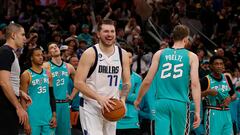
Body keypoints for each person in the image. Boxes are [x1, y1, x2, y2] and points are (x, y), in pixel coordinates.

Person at [134, 24, 201, 135]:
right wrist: (197, 111)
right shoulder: (191, 56)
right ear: (186, 39)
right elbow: (194, 84)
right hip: (180, 102)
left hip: (161, 102)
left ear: (173, 38)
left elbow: (147, 80)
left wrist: (138, 99)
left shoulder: (160, 54)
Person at [74, 19, 131, 135]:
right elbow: (78, 82)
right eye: (106, 31)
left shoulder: (122, 54)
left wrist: (123, 100)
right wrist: (99, 98)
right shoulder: (90, 53)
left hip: (111, 106)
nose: (109, 35)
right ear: (98, 34)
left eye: (112, 31)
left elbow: (126, 83)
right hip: (91, 106)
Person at [0, 23, 31, 134]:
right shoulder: (5, 52)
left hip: (8, 104)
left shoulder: (9, 52)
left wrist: (20, 92)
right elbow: (3, 82)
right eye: (22, 35)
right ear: (13, 35)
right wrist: (19, 107)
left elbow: (8, 80)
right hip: (5, 106)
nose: (25, 39)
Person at [20, 47, 57, 135]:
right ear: (31, 58)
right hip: (33, 116)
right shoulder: (26, 74)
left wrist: (54, 115)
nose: (41, 57)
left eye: (41, 55)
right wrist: (26, 122)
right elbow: (23, 100)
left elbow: (52, 95)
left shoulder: (48, 73)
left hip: (47, 116)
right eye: (37, 55)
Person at [43, 42, 75, 135]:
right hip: (50, 105)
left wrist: (72, 96)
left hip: (64, 105)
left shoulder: (69, 67)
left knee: (64, 132)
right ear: (49, 53)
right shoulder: (45, 66)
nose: (55, 48)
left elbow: (79, 83)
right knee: (50, 132)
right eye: (51, 48)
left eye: (56, 46)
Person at [201, 55, 235, 135]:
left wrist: (230, 98)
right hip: (212, 112)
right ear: (211, 66)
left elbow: (233, 95)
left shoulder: (227, 78)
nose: (219, 66)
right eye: (216, 64)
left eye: (221, 64)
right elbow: (194, 95)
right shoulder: (205, 79)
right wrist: (207, 92)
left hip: (226, 113)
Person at [116, 46, 142, 135]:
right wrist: (129, 95)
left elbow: (137, 98)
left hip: (133, 120)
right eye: (125, 57)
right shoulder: (113, 76)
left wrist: (120, 94)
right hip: (115, 119)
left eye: (130, 57)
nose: (128, 59)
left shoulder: (138, 78)